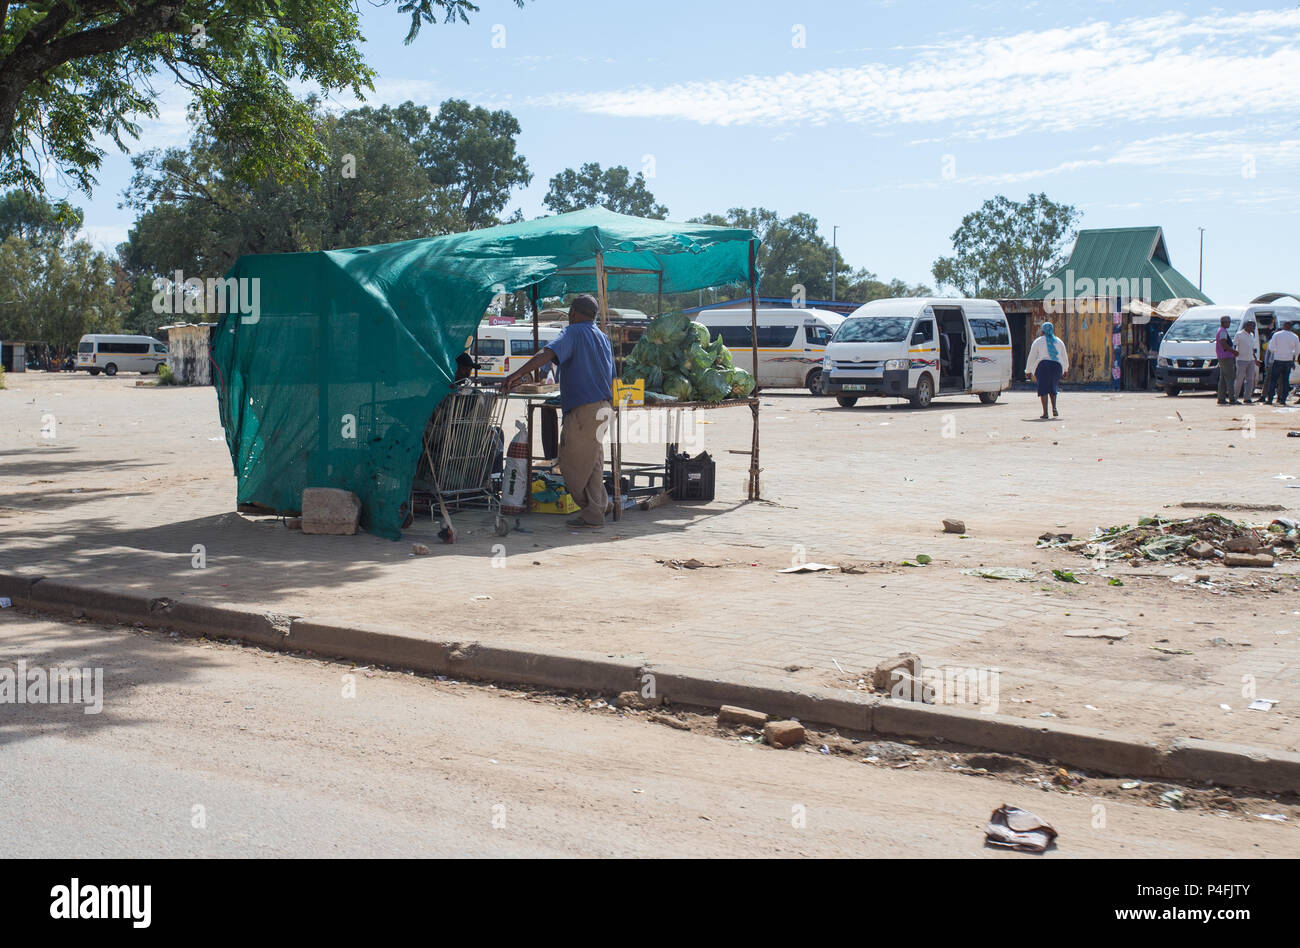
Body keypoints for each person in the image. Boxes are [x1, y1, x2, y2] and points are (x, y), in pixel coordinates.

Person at [504, 294, 614, 528]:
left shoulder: (574, 332)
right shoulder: (603, 337)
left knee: (570, 465)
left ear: (573, 312)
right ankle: (599, 507)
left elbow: (547, 354)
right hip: (604, 407)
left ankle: (594, 510)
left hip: (584, 409)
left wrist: (516, 375)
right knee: (593, 463)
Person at [1025, 322, 1069, 419]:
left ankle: (1045, 413)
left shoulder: (1038, 341)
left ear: (1042, 330)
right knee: (1053, 387)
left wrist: (1027, 371)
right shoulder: (1059, 341)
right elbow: (1064, 356)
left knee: (1043, 389)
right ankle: (1054, 407)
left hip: (1043, 366)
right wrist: (1065, 369)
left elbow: (1031, 357)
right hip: (1057, 366)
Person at [1264, 319, 1299, 406]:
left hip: (1278, 359)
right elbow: (1298, 350)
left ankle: (1270, 399)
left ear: (1284, 326)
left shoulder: (1277, 335)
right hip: (1288, 360)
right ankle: (1283, 400)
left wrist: (1278, 352)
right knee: (1285, 381)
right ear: (1291, 327)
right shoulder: (1294, 336)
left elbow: (1271, 348)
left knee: (1273, 380)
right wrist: (1292, 357)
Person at [1233, 319, 1260, 404]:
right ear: (1247, 326)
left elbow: (1252, 349)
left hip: (1250, 360)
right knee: (1239, 379)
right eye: (1252, 326)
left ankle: (1247, 398)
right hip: (1241, 360)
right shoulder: (1239, 334)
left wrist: (1255, 359)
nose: (1253, 328)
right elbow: (1234, 346)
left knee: (1250, 380)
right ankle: (1234, 397)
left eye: (1254, 326)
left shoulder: (1251, 335)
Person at [1214, 315, 1239, 405]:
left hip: (1222, 357)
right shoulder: (1222, 331)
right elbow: (1224, 344)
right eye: (1228, 322)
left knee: (1223, 379)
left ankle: (1221, 398)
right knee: (1230, 377)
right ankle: (1232, 398)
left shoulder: (1221, 330)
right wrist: (1234, 351)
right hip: (1226, 356)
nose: (1229, 324)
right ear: (1224, 322)